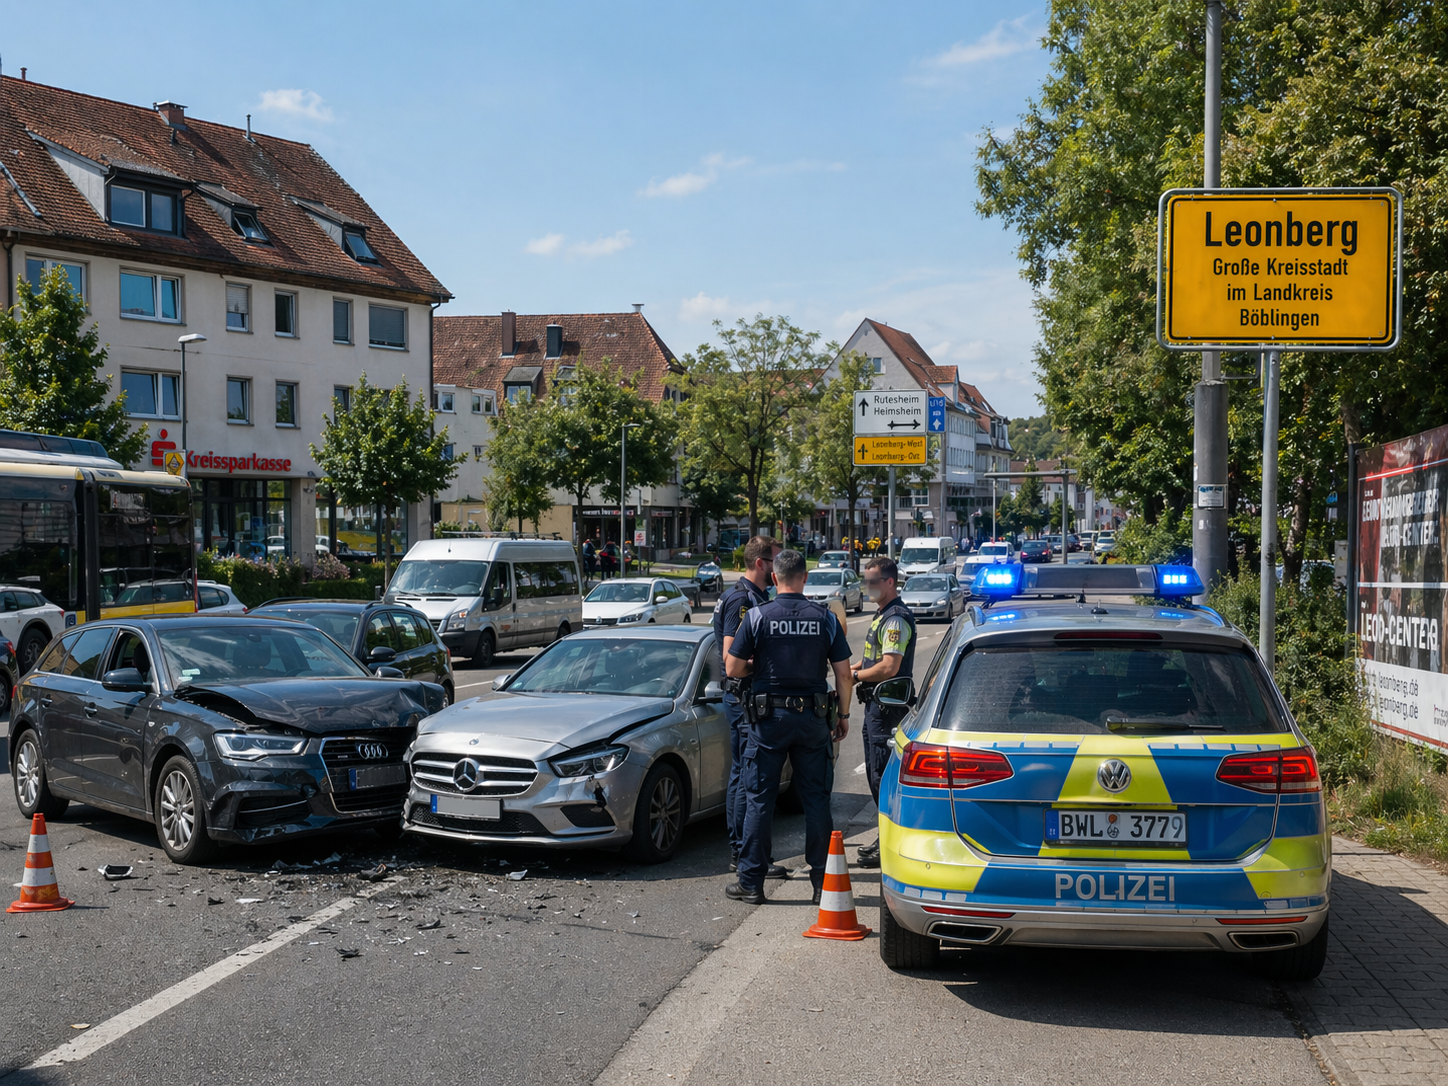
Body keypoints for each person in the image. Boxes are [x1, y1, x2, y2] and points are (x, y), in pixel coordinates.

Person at [725, 549, 853, 905]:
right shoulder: (824, 618)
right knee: (816, 802)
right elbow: (844, 674)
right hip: (813, 720)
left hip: (768, 722)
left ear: (776, 578)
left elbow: (732, 668)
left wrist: (760, 669)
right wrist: (842, 716)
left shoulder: (756, 616)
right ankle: (822, 885)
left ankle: (751, 882)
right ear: (805, 579)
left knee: (759, 801)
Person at [712, 534, 785, 877]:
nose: (779, 569)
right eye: (775, 562)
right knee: (746, 776)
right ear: (761, 564)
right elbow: (731, 658)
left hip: (745, 696)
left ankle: (749, 854)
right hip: (743, 697)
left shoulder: (755, 596)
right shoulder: (743, 600)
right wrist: (772, 662)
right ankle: (744, 854)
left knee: (747, 775)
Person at [850, 555, 917, 867]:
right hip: (877, 704)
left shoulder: (895, 618)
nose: (868, 587)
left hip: (887, 707)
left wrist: (852, 677)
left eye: (874, 582)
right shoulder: (882, 615)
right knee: (878, 774)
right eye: (867, 582)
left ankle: (889, 841)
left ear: (890, 582)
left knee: (882, 776)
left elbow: (889, 667)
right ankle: (884, 835)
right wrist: (845, 669)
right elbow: (870, 662)